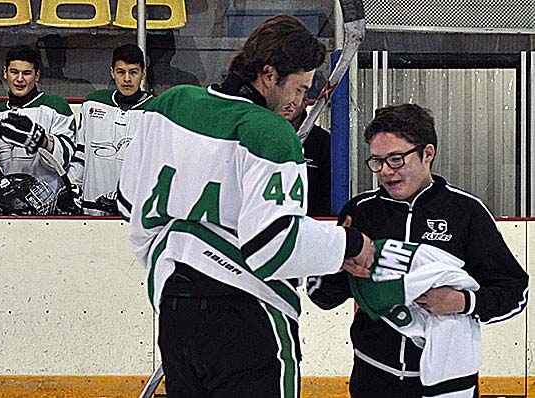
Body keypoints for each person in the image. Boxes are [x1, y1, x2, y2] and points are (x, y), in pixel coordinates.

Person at [117, 15, 375, 397]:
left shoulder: (169, 104)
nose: (301, 101)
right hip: (248, 314)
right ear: (268, 74)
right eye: (300, 88)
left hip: (175, 310)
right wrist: (350, 245)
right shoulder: (270, 133)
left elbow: (127, 201)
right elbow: (273, 247)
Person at [306, 104, 528, 398]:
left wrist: (463, 301)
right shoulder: (361, 213)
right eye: (377, 161)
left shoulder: (466, 213)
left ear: (427, 153)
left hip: (449, 383)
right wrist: (339, 261)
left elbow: (515, 292)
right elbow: (321, 297)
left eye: (396, 159)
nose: (385, 171)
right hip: (373, 381)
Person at [0, 45, 77, 215]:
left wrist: (42, 141)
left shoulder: (56, 107)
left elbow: (65, 159)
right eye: (14, 72)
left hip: (47, 210)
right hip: (4, 210)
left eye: (26, 73)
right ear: (5, 73)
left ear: (37, 75)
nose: (19, 79)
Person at [67, 43, 153, 216]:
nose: (127, 79)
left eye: (133, 72)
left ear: (143, 74)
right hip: (91, 209)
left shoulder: (155, 110)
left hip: (134, 213)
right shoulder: (92, 104)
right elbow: (81, 155)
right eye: (121, 72)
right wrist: (71, 188)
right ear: (112, 72)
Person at [279, 96, 331, 216]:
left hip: (311, 222)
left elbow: (328, 189)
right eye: (284, 96)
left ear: (305, 102)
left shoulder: (322, 141)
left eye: (296, 95)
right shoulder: (262, 137)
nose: (288, 104)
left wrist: (316, 221)